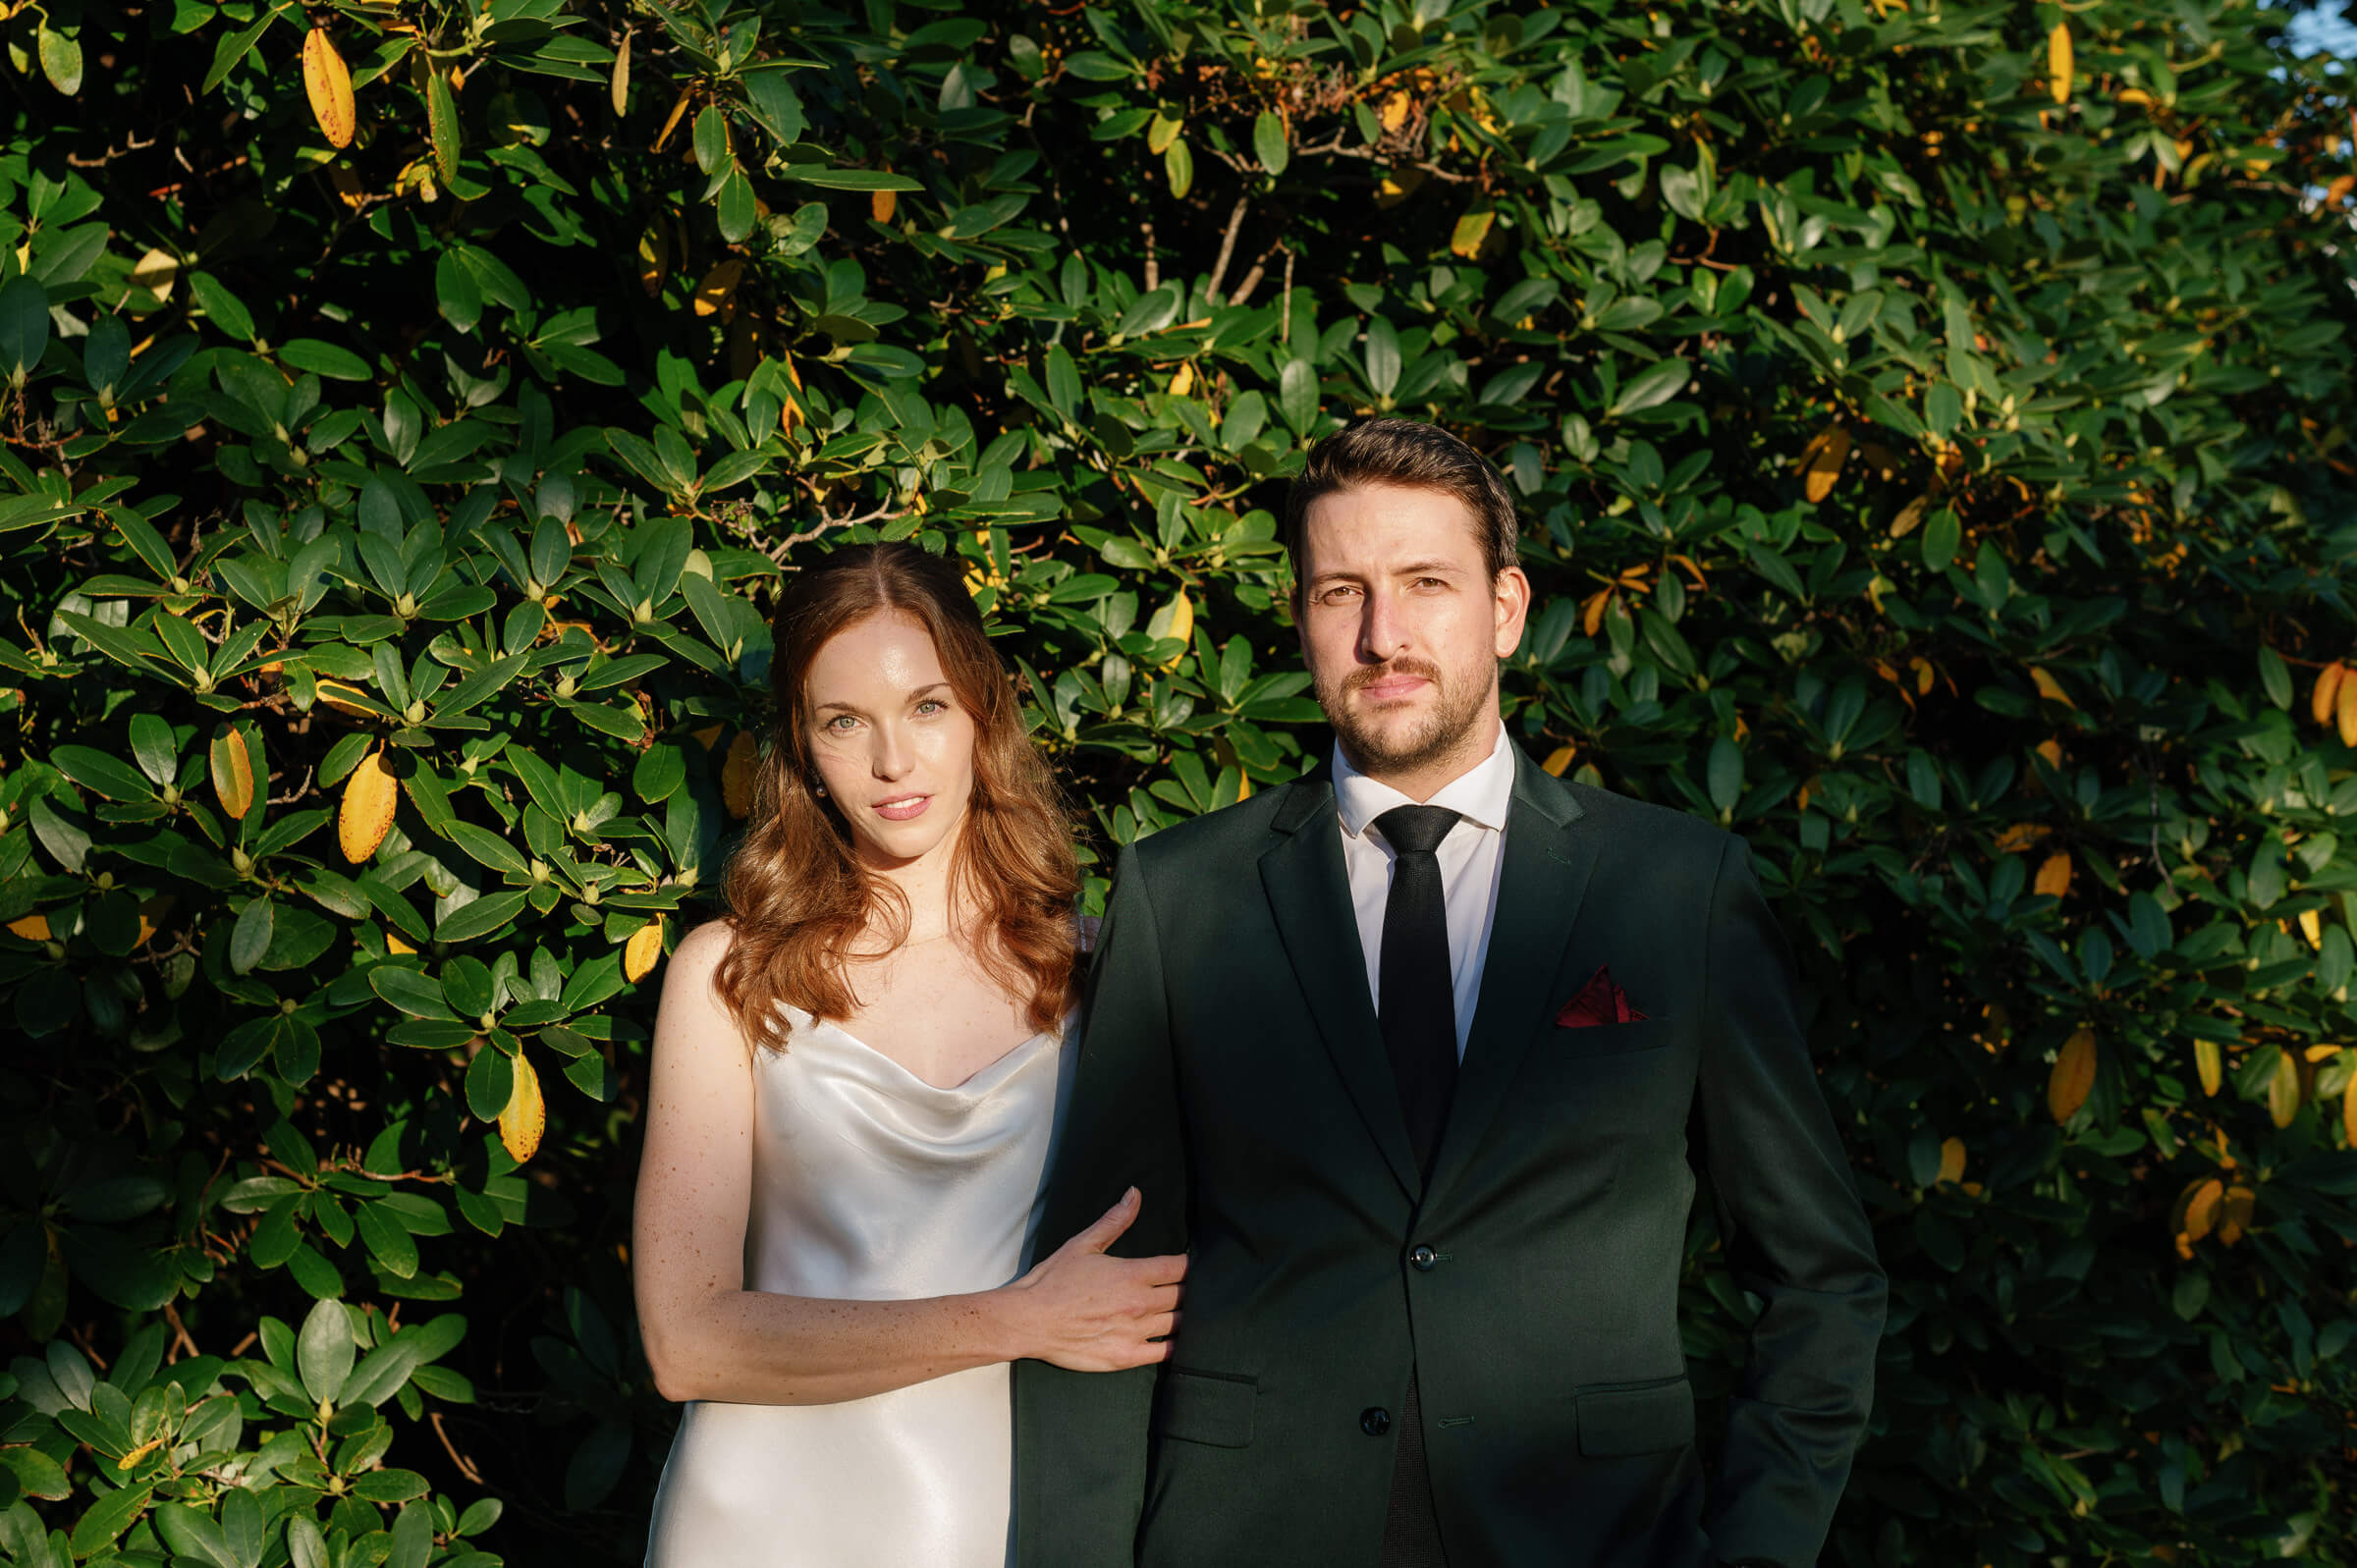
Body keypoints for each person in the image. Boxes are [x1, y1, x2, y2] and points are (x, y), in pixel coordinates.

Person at [1014, 419, 1887, 1568]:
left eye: (1426, 583)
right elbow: (1105, 1290)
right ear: (1302, 620)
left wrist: (1759, 1549)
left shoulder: (1677, 892)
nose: (1384, 635)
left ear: (1506, 609)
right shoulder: (1182, 896)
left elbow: (1819, 1273)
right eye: (1341, 592)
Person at [633, 542, 1185, 1568]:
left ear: (982, 707)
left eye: (927, 706)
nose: (894, 761)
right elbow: (685, 1342)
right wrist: (1018, 1320)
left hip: (1004, 1519)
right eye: (846, 720)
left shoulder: (1108, 973)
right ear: (800, 743)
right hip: (752, 1525)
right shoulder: (727, 976)